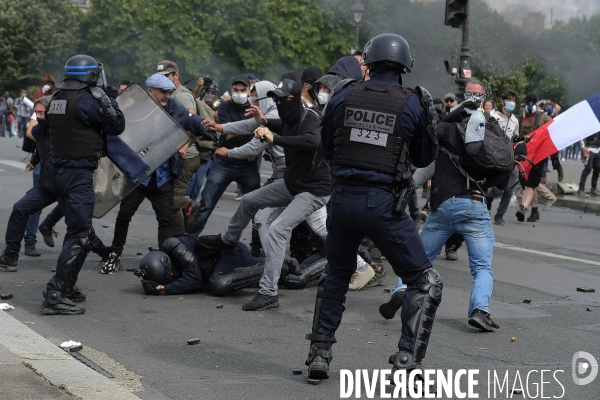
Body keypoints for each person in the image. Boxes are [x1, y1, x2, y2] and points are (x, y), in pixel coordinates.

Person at [304, 33, 441, 381]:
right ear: (404, 67)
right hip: (382, 204)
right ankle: (407, 361)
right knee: (424, 282)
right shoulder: (413, 102)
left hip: (342, 201)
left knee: (336, 275)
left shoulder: (343, 94)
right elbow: (426, 157)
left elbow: (327, 147)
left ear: (369, 62)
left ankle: (320, 354)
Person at [197, 76, 331, 312]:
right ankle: (229, 240)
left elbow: (313, 140)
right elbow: (277, 125)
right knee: (249, 200)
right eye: (275, 100)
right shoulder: (288, 117)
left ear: (292, 99)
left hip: (314, 189)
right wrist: (264, 121)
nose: (277, 103)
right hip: (293, 183)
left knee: (280, 228)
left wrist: (273, 137)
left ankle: (269, 293)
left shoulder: (310, 117)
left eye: (280, 100)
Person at [30, 55, 126, 315]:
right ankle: (55, 293)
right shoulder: (87, 101)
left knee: (79, 230)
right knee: (80, 234)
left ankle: (68, 287)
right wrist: (108, 99)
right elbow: (117, 125)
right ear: (91, 76)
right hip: (78, 174)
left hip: (59, 171)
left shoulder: (58, 98)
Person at [99, 73, 214, 275]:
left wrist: (206, 128)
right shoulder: (135, 109)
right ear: (149, 90)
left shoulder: (175, 109)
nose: (167, 96)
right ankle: (115, 255)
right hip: (137, 175)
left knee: (165, 219)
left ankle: (164, 257)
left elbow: (194, 122)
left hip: (162, 176)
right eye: (162, 91)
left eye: (169, 91)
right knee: (124, 216)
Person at [418, 79, 508, 334]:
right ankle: (480, 311)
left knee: (420, 261)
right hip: (476, 205)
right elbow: (501, 178)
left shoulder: (448, 127)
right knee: (482, 267)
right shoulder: (492, 129)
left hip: (444, 202)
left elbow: (428, 139)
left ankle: (403, 291)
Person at [186, 75, 263, 256]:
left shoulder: (254, 108)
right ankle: (189, 240)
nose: (239, 93)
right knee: (206, 204)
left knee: (257, 206)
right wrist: (248, 127)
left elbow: (262, 132)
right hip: (224, 162)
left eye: (242, 90)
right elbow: (225, 135)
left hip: (248, 164)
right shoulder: (225, 106)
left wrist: (256, 149)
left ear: (248, 91)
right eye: (235, 90)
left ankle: (257, 245)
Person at [155, 60, 203, 235]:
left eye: (167, 76)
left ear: (176, 75)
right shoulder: (168, 94)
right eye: (160, 77)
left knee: (174, 201)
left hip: (186, 156)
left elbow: (195, 123)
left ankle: (180, 240)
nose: (164, 80)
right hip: (174, 155)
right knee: (168, 199)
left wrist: (185, 144)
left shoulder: (181, 95)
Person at [516, 93, 552, 222]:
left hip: (538, 157)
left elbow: (551, 137)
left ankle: (523, 208)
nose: (530, 103)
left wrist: (556, 162)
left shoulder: (544, 118)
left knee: (530, 183)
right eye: (528, 101)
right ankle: (535, 211)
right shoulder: (519, 119)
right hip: (523, 156)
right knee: (528, 185)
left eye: (532, 101)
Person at [488, 89, 520, 225]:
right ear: (502, 101)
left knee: (510, 185)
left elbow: (515, 136)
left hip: (508, 157)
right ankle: (489, 195)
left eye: (513, 100)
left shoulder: (514, 120)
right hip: (493, 156)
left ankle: (499, 215)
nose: (511, 103)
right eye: (508, 100)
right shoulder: (493, 116)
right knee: (497, 187)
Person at [578, 131, 600, 197]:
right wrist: (583, 147)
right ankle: (581, 189)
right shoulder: (589, 123)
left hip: (598, 149)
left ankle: (593, 188)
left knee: (597, 169)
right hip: (589, 149)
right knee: (588, 169)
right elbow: (581, 135)